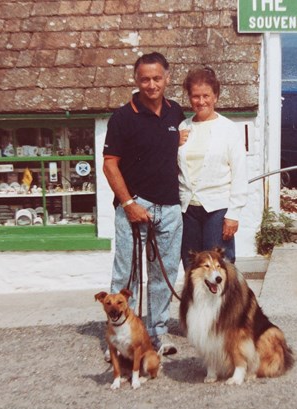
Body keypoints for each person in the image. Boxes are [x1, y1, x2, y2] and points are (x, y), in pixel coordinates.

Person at [103, 52, 185, 355]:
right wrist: (128, 203)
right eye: (145, 79)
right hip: (135, 207)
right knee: (127, 276)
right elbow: (110, 165)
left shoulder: (176, 112)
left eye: (157, 78)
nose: (151, 84)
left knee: (164, 276)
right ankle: (121, 338)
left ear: (166, 78)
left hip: (171, 209)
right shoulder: (123, 117)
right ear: (136, 81)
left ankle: (157, 333)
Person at [178, 67, 248, 268]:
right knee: (192, 267)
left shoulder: (228, 129)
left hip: (217, 209)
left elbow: (239, 174)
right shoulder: (183, 127)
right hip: (187, 209)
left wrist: (233, 215)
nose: (201, 102)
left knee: (219, 266)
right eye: (195, 96)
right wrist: (170, 143)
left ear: (215, 96)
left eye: (206, 96)